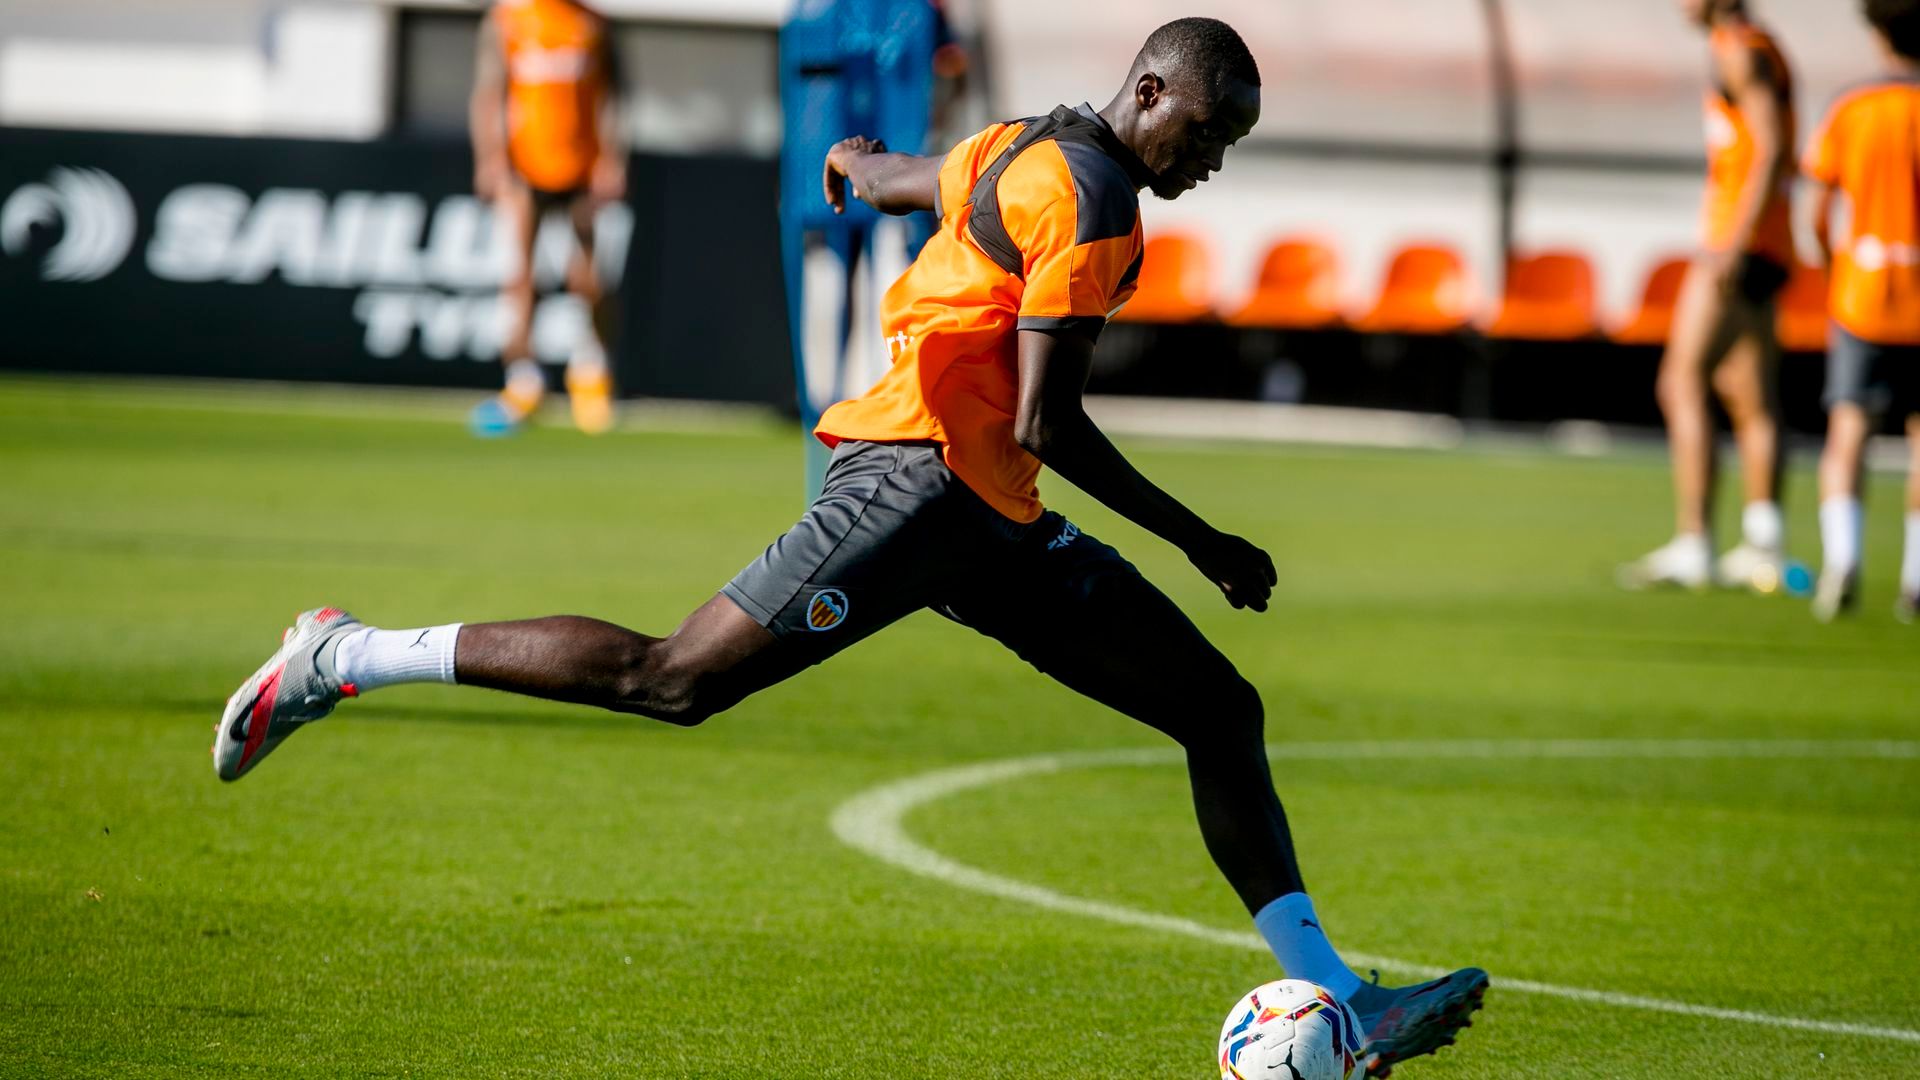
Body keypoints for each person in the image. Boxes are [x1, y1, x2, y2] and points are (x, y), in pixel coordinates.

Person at [212, 19, 1485, 1075]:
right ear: (1148, 92)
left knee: (1218, 706)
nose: (1211, 159)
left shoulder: (1021, 144)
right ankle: (342, 657)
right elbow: (1051, 419)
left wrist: (849, 162)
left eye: (1229, 144)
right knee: (671, 680)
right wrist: (1208, 543)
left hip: (985, 514)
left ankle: (1337, 998)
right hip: (915, 489)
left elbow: (905, 180)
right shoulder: (1089, 200)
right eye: (1205, 131)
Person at [1621, 0, 1797, 591]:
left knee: (1680, 381)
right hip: (1765, 244)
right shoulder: (1753, 46)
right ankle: (1762, 543)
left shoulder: (1741, 50)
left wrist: (1734, 243)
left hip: (1738, 243)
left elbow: (1771, 146)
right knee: (1750, 394)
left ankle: (1694, 541)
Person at [1806, 0, 1920, 622]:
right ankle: (1915, 578)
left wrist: (1836, 271)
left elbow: (1814, 216)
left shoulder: (1853, 108)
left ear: (1878, 34)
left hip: (1863, 296)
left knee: (1848, 429)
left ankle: (1842, 559)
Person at [468, 0, 626, 437]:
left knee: (589, 281)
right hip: (523, 167)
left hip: (581, 168)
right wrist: (490, 158)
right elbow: (489, 92)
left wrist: (612, 159)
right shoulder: (508, 18)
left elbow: (612, 96)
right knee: (521, 279)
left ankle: (592, 375)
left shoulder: (592, 23)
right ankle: (523, 383)